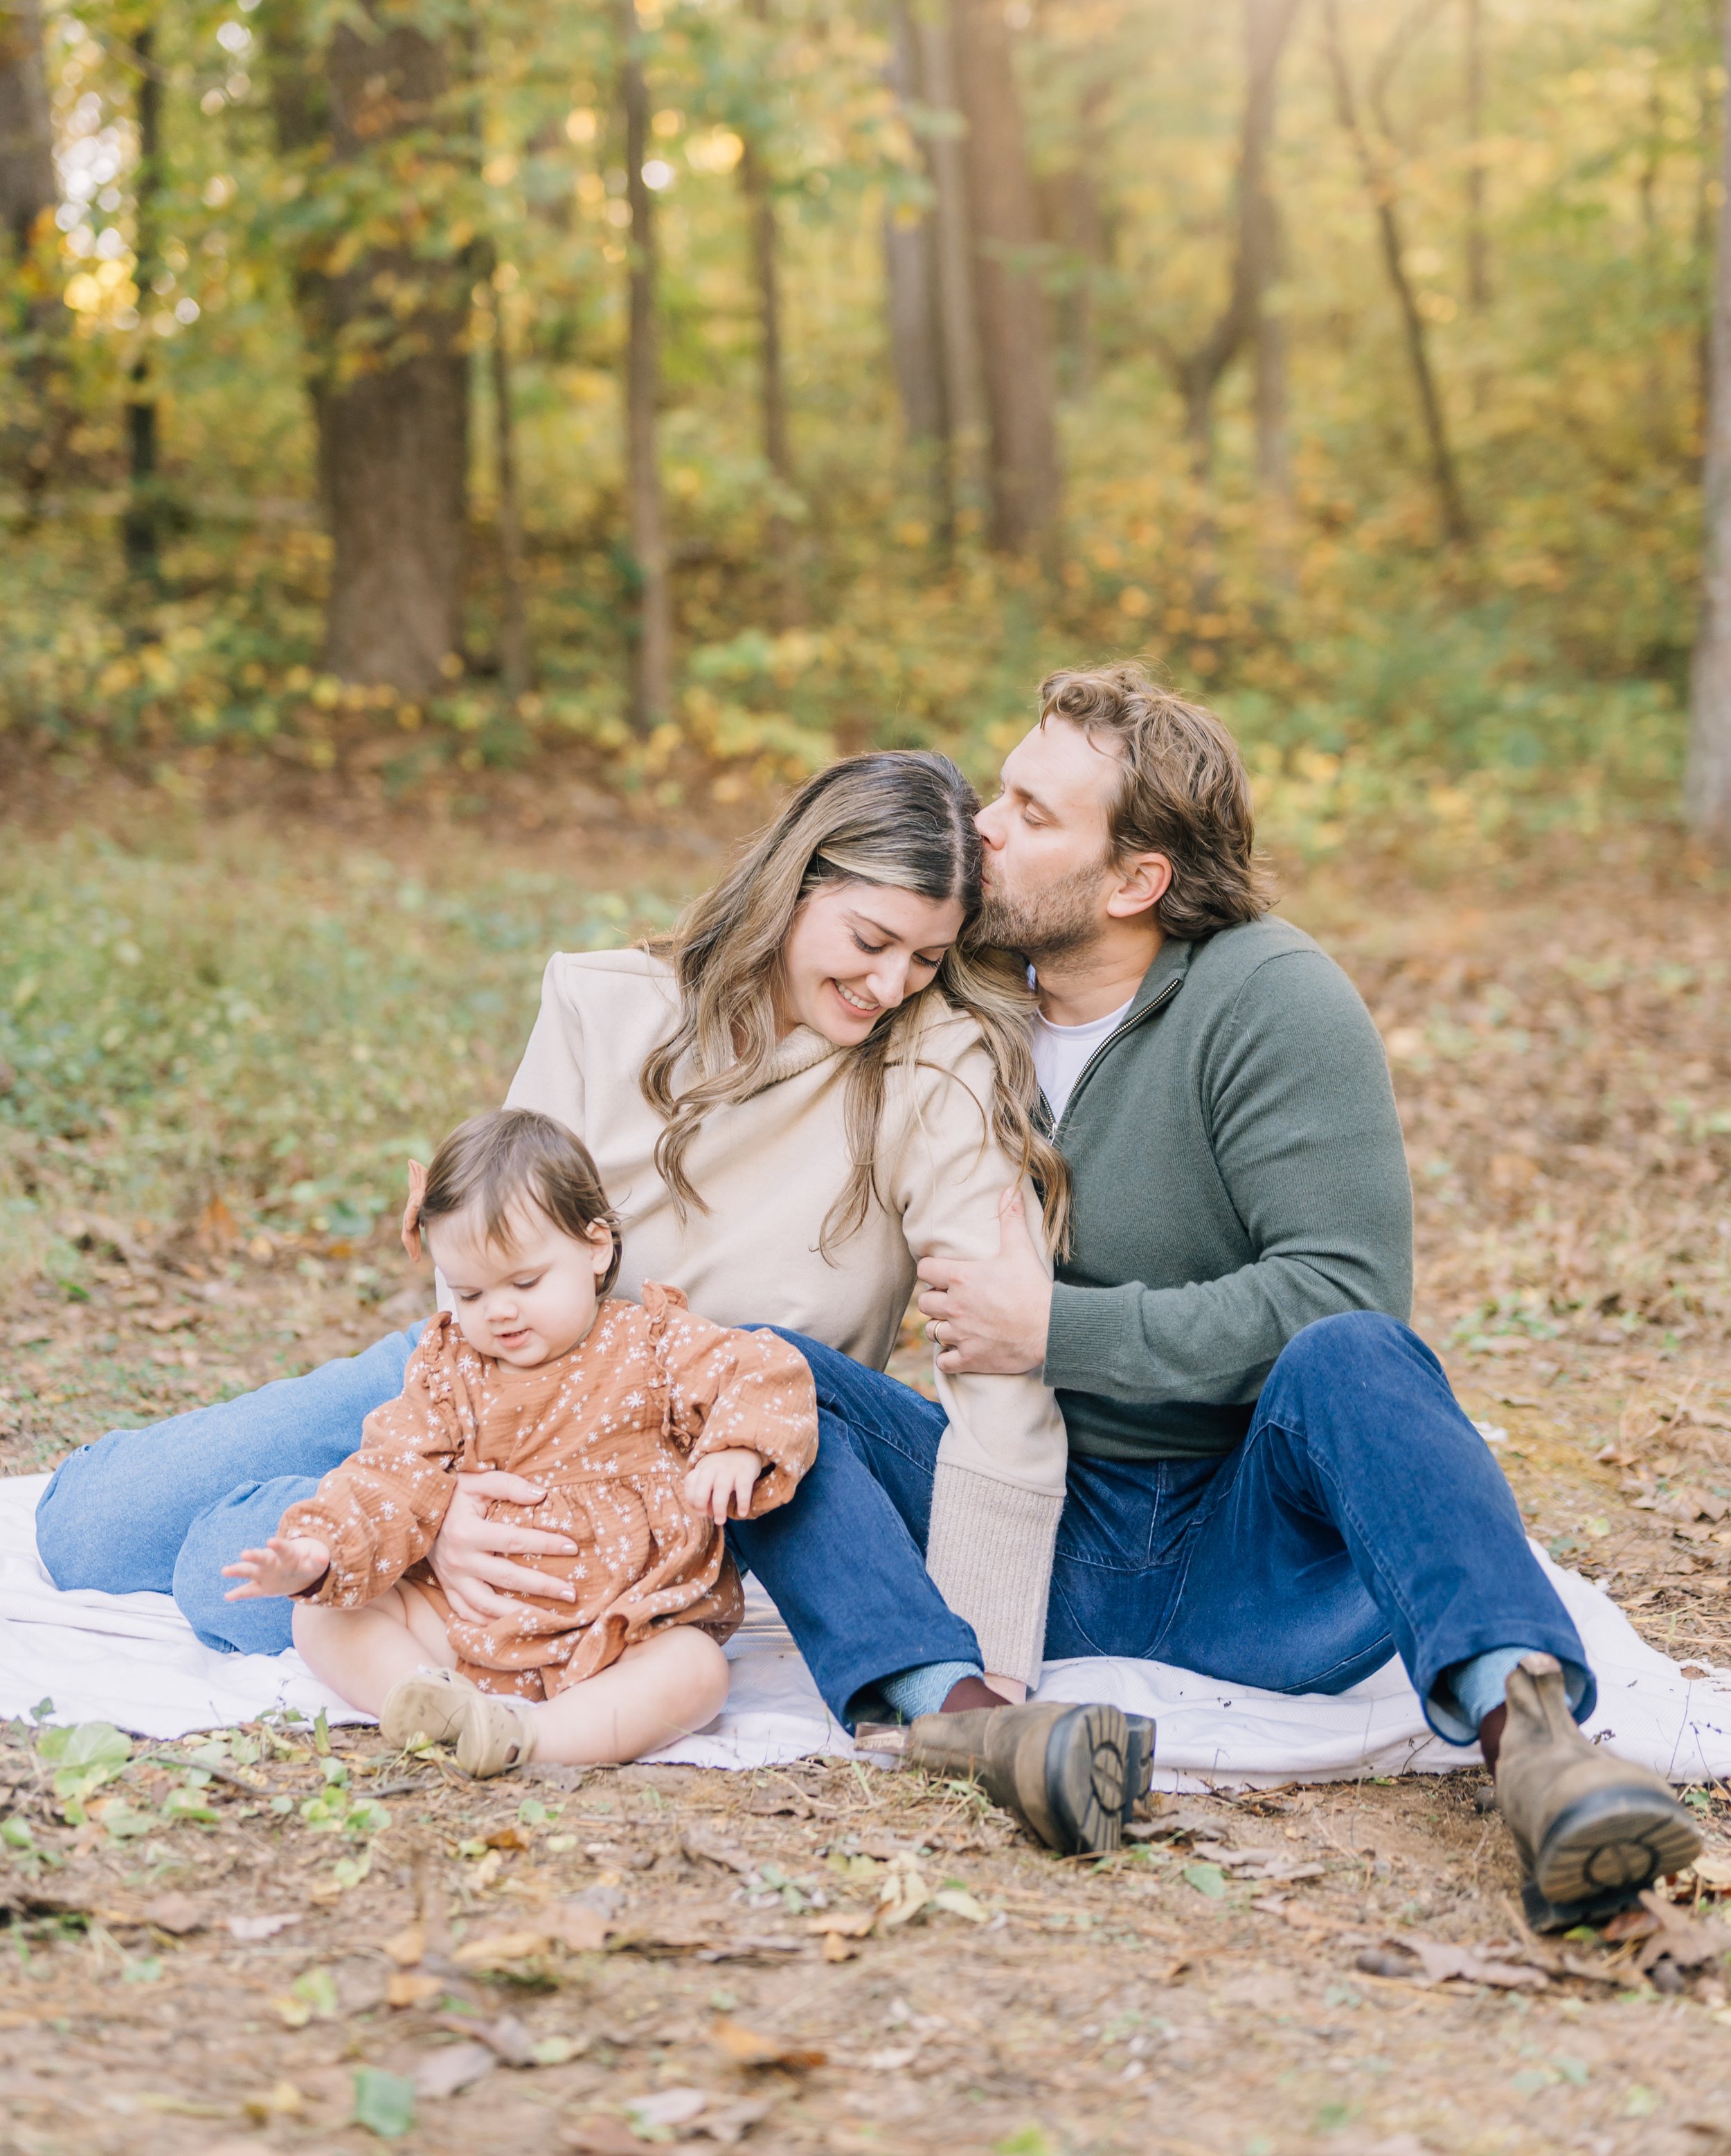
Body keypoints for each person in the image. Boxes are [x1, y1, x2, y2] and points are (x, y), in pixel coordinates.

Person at [725, 665, 1701, 1930]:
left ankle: (1541, 1753)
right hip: (1032, 1530)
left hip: (1258, 1560)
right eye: (999, 790)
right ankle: (970, 1727)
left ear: (1134, 880)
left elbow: (1342, 1285)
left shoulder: (1271, 999)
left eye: (1032, 809)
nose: (984, 825)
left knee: (1354, 1349)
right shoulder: (951, 996)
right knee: (759, 1366)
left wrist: (1057, 1329)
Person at [36, 752, 1100, 1732]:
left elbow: (995, 1366)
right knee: (90, 1530)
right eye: (870, 941)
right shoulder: (604, 1003)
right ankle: (372, 1523)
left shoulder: (936, 1065)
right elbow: (498, 1255)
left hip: (647, 1467)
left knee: (214, 1578)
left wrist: (984, 1669)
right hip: (491, 1386)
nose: (889, 984)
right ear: (795, 881)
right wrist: (442, 1506)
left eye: (925, 957)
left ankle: (355, 1551)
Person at [223, 1108, 819, 1777]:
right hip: (470, 1628)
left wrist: (735, 1447)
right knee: (323, 1619)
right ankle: (432, 1706)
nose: (498, 1311)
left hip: (621, 1632)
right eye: (470, 1292)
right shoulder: (449, 1368)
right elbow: (387, 1472)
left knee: (698, 1672)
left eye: (525, 1283)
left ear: (596, 1247)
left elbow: (764, 1370)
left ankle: (528, 1742)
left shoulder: (650, 1341)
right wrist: (319, 1549)